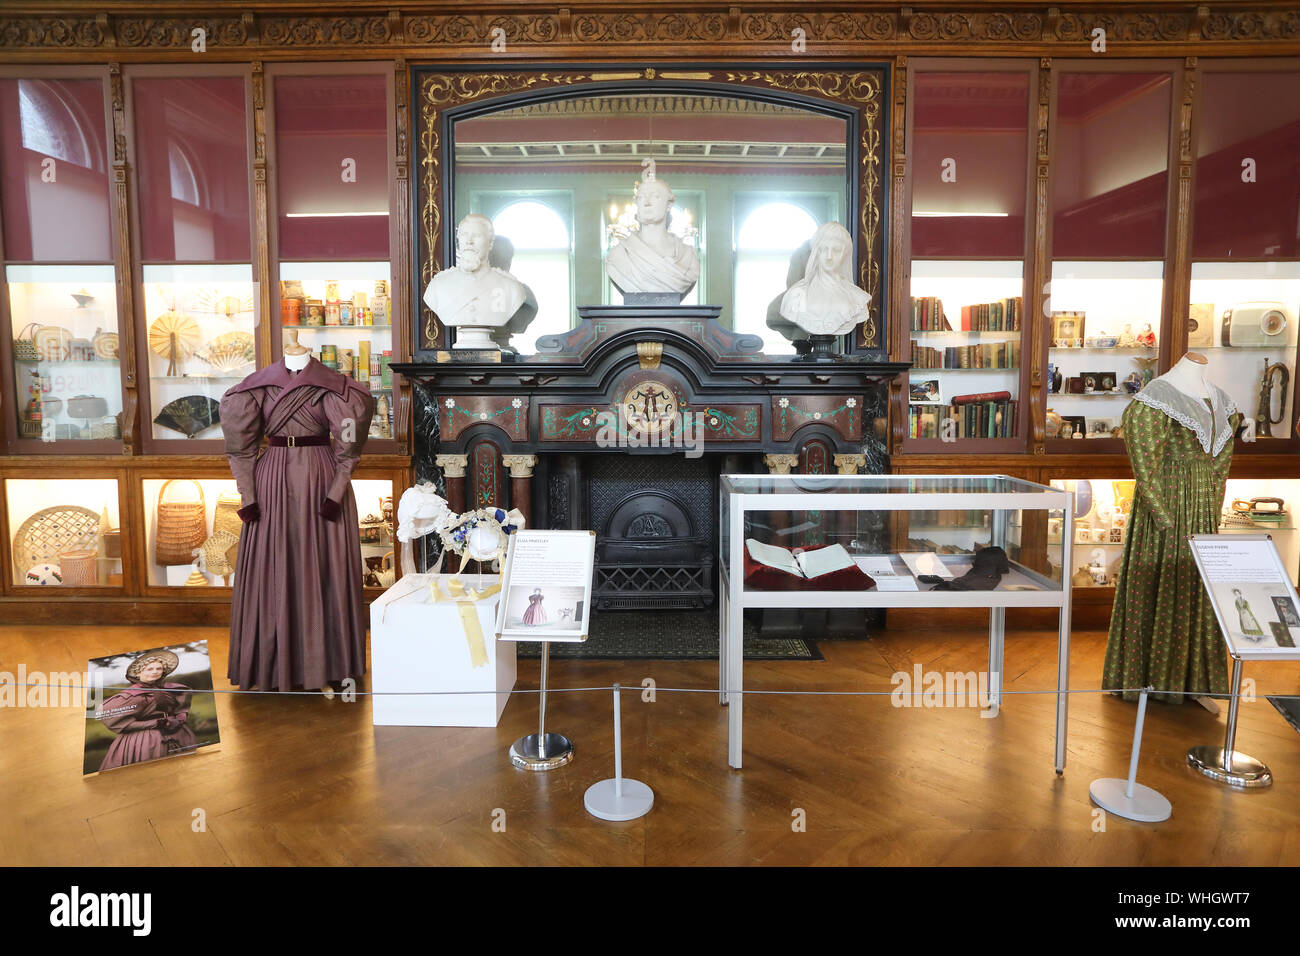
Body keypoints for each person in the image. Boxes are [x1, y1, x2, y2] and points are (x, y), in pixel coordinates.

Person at [221, 350, 375, 692]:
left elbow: (349, 451)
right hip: (271, 479)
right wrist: (248, 496)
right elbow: (241, 449)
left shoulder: (338, 388)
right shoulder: (255, 387)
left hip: (320, 477)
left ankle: (326, 666)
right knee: (271, 568)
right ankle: (270, 666)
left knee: (322, 566)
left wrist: (335, 492)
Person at [423, 214, 536, 349]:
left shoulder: (511, 288)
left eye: (477, 235)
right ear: (458, 240)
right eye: (464, 234)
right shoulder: (438, 285)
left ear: (490, 243)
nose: (469, 241)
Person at [605, 161, 700, 299]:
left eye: (655, 196)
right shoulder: (618, 256)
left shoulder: (688, 257)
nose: (647, 202)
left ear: (669, 205)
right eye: (641, 197)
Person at [97, 651, 197, 771]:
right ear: (138, 673)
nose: (155, 672)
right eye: (149, 669)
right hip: (146, 739)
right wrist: (155, 723)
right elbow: (108, 715)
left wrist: (179, 719)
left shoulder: (170, 689)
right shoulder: (133, 695)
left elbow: (181, 708)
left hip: (178, 733)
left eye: (158, 668)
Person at [779, 221, 872, 336]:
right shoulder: (796, 295)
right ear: (817, 252)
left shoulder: (857, 298)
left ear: (845, 254)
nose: (829, 256)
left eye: (836, 250)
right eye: (824, 249)